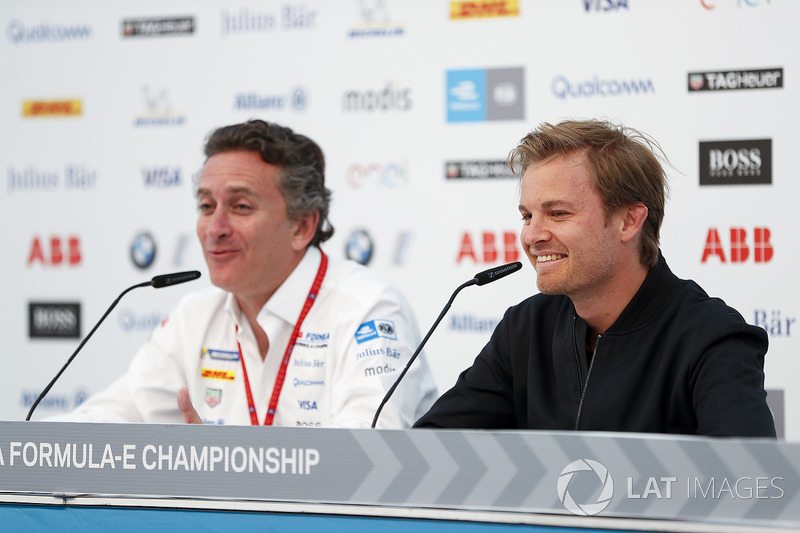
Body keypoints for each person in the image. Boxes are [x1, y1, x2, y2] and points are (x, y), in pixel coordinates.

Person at [62, 119, 437, 428]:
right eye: (207, 206)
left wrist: (227, 465)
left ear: (302, 227)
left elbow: (367, 456)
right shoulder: (193, 318)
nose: (215, 228)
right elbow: (107, 419)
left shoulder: (368, 310)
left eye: (241, 207)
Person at [414, 119, 776, 437]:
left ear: (629, 221)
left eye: (557, 213)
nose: (532, 235)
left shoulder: (712, 338)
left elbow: (748, 487)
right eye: (527, 216)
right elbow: (431, 449)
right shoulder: (525, 328)